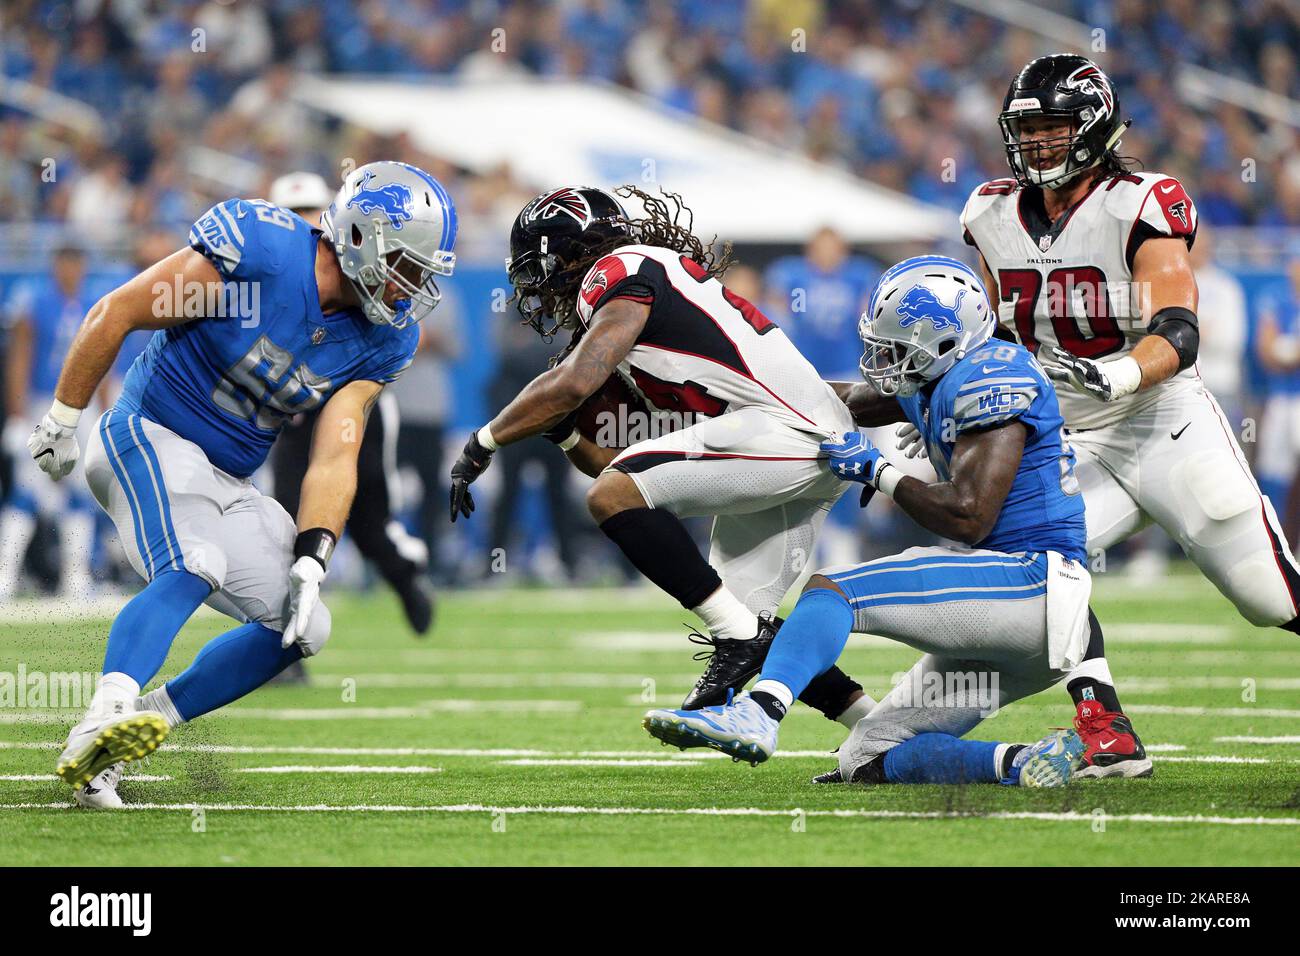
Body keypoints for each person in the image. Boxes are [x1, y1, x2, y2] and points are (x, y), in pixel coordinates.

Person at [26, 161, 457, 808]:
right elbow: (117, 311)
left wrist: (314, 553)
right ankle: (103, 710)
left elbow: (336, 454)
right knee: (196, 559)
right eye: (407, 266)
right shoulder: (262, 248)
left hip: (225, 477)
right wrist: (63, 416)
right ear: (363, 239)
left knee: (304, 627)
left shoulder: (385, 339)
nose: (412, 289)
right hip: (145, 433)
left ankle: (138, 726)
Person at [957, 54, 1300, 777]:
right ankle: (1104, 725)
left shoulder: (1141, 200)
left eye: (1053, 128)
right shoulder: (988, 212)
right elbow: (989, 332)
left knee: (1268, 596)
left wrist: (1117, 370)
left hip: (1161, 418)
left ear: (1092, 128)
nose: (1038, 144)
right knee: (1033, 568)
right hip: (1069, 434)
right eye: (1027, 130)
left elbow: (1178, 326)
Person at [644, 255, 1091, 789]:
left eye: (899, 348)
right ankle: (1020, 762)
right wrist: (733, 395)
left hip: (1029, 581)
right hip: (1026, 621)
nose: (884, 359)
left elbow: (969, 516)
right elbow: (842, 401)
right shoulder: (942, 373)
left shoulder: (992, 375)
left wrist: (877, 472)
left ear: (947, 339)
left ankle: (759, 711)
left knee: (830, 590)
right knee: (867, 756)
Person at [448, 185, 876, 727]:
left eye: (540, 264)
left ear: (568, 252)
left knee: (731, 621)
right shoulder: (657, 312)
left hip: (786, 435)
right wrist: (561, 434)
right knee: (740, 609)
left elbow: (577, 389)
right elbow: (623, 466)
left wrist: (482, 443)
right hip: (801, 442)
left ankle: (739, 640)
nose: (538, 282)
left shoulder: (620, 272)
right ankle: (876, 729)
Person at [265, 171, 434, 639]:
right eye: (292, 218)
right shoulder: (271, 274)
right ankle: (278, 641)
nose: (304, 226)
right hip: (296, 412)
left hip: (355, 406)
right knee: (285, 521)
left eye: (311, 215)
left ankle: (404, 576)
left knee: (368, 522)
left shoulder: (359, 271)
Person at [0, 242, 101, 599]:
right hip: (44, 404)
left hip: (83, 409)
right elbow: (19, 359)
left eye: (77, 263)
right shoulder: (37, 303)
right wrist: (16, 415)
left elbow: (102, 363)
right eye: (65, 263)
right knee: (28, 489)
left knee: (80, 491)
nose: (71, 270)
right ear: (55, 266)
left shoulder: (94, 305)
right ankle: (6, 576)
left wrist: (104, 413)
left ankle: (75, 577)